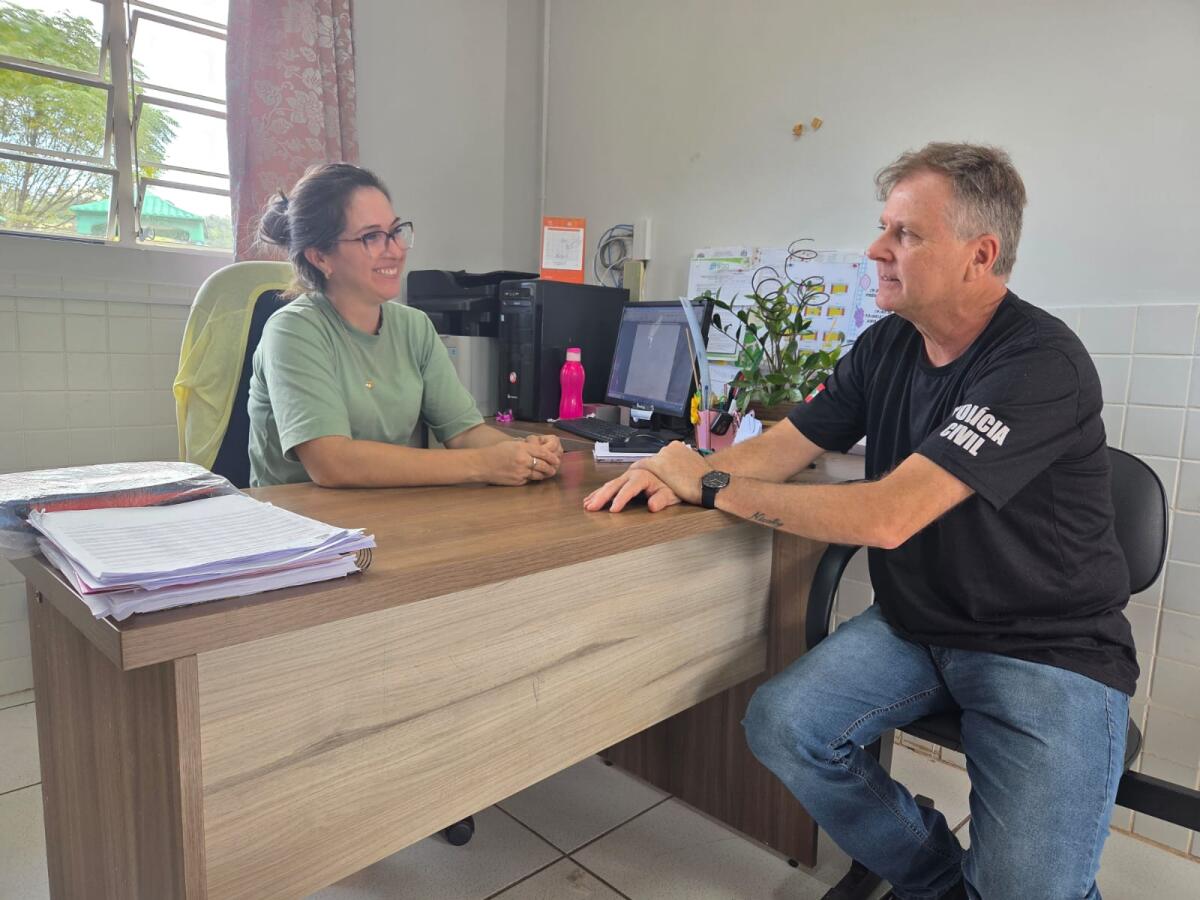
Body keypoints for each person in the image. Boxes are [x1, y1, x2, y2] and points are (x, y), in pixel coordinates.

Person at [584, 143, 1135, 900]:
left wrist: (707, 484)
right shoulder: (886, 345)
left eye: (905, 234)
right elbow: (784, 448)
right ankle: (936, 879)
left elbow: (889, 515)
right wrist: (674, 468)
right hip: (917, 625)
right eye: (884, 227)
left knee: (1028, 890)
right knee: (783, 725)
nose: (877, 249)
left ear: (980, 255)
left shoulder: (1040, 362)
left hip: (1044, 647)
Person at [249, 162, 562, 488]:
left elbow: (464, 432)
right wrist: (483, 465)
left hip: (386, 510)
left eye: (395, 231)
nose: (396, 250)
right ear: (320, 257)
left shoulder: (415, 326)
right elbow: (332, 463)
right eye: (372, 237)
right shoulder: (292, 330)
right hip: (296, 517)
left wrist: (526, 453)